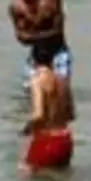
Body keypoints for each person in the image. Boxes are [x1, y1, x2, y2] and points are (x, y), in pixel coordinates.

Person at [8, 0, 71, 84]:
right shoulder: (16, 7)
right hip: (36, 56)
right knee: (31, 93)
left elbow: (58, 30)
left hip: (58, 52)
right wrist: (40, 37)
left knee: (62, 87)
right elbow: (21, 38)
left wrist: (32, 37)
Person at [20, 42, 75, 173]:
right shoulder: (62, 80)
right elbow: (71, 114)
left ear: (33, 61)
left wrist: (26, 129)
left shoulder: (37, 80)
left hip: (46, 140)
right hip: (65, 139)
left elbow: (39, 115)